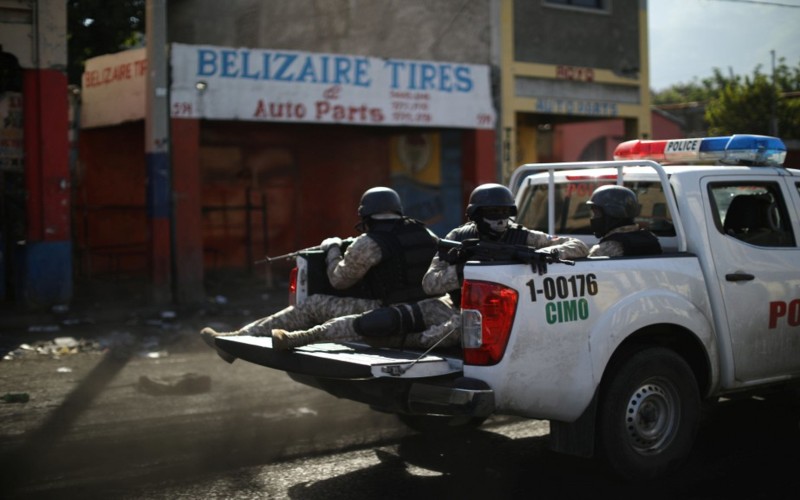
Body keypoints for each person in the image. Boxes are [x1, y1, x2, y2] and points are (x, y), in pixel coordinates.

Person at [202, 186, 456, 352]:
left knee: (313, 305)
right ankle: (240, 339)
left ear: (366, 215)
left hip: (387, 309)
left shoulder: (369, 242)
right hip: (430, 308)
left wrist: (332, 248)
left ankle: (239, 338)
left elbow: (339, 281)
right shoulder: (426, 233)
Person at [423, 183, 590, 304]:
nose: (500, 218)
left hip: (507, 307)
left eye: (505, 211)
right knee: (414, 314)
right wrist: (465, 270)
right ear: (476, 214)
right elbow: (429, 284)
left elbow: (579, 245)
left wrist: (548, 253)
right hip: (462, 305)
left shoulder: (523, 236)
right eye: (493, 212)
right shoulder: (459, 237)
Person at [586, 184, 662, 257]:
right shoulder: (650, 238)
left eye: (596, 213)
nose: (593, 218)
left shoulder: (607, 248)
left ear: (613, 213)